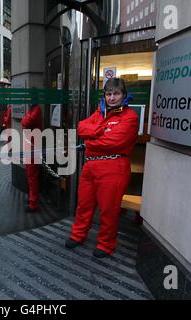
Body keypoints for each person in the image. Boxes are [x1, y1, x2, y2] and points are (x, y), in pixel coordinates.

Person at [65, 78, 138, 258]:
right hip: (90, 166)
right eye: (108, 94)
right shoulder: (99, 113)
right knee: (83, 205)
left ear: (123, 95)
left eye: (116, 94)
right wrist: (99, 132)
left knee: (108, 210)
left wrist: (92, 139)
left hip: (114, 166)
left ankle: (106, 244)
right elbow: (81, 127)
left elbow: (114, 142)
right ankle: (78, 234)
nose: (112, 98)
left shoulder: (130, 117)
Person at [21, 93, 43, 213]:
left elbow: (26, 122)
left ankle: (33, 203)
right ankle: (31, 199)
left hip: (33, 148)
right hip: (30, 147)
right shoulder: (33, 110)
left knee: (32, 176)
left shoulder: (36, 110)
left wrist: (25, 118)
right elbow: (25, 121)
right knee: (30, 176)